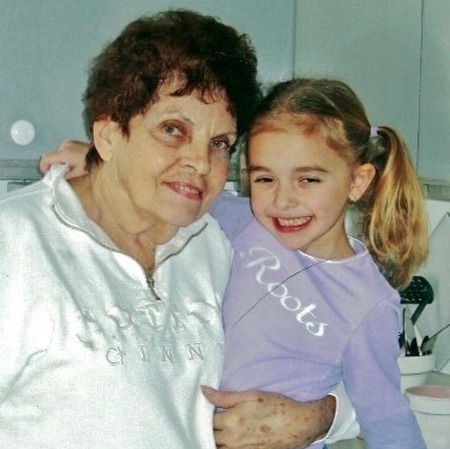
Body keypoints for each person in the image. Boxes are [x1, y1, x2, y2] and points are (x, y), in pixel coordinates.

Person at [0, 10, 354, 449]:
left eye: (219, 143)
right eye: (172, 130)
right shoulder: (14, 242)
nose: (202, 164)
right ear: (108, 135)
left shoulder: (221, 240)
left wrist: (320, 417)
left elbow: (356, 340)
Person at [212, 78, 428, 449]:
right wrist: (91, 161)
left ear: (357, 182)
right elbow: (154, 191)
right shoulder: (237, 219)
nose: (282, 201)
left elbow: (387, 418)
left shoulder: (370, 301)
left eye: (308, 179)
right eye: (264, 178)